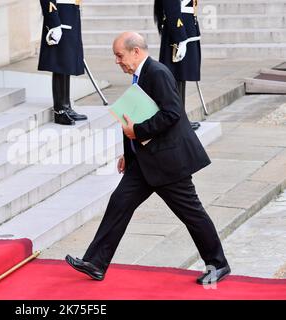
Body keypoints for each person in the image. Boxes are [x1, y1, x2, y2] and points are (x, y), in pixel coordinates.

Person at [65, 32, 231, 285]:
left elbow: (172, 113)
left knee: (192, 214)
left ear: (136, 51)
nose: (117, 61)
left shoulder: (158, 72)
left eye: (119, 55)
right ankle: (96, 262)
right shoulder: (140, 74)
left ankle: (218, 264)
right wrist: (128, 152)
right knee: (119, 202)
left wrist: (137, 132)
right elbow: (136, 114)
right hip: (145, 161)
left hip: (168, 163)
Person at [38, 0, 88, 125]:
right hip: (60, 12)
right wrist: (54, 22)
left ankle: (66, 106)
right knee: (60, 62)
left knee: (67, 61)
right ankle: (59, 110)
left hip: (70, 11)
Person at [154, 0, 201, 130]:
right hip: (178, 33)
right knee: (174, 77)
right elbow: (172, 9)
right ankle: (176, 118)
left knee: (181, 76)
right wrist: (180, 37)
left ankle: (181, 117)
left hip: (186, 30)